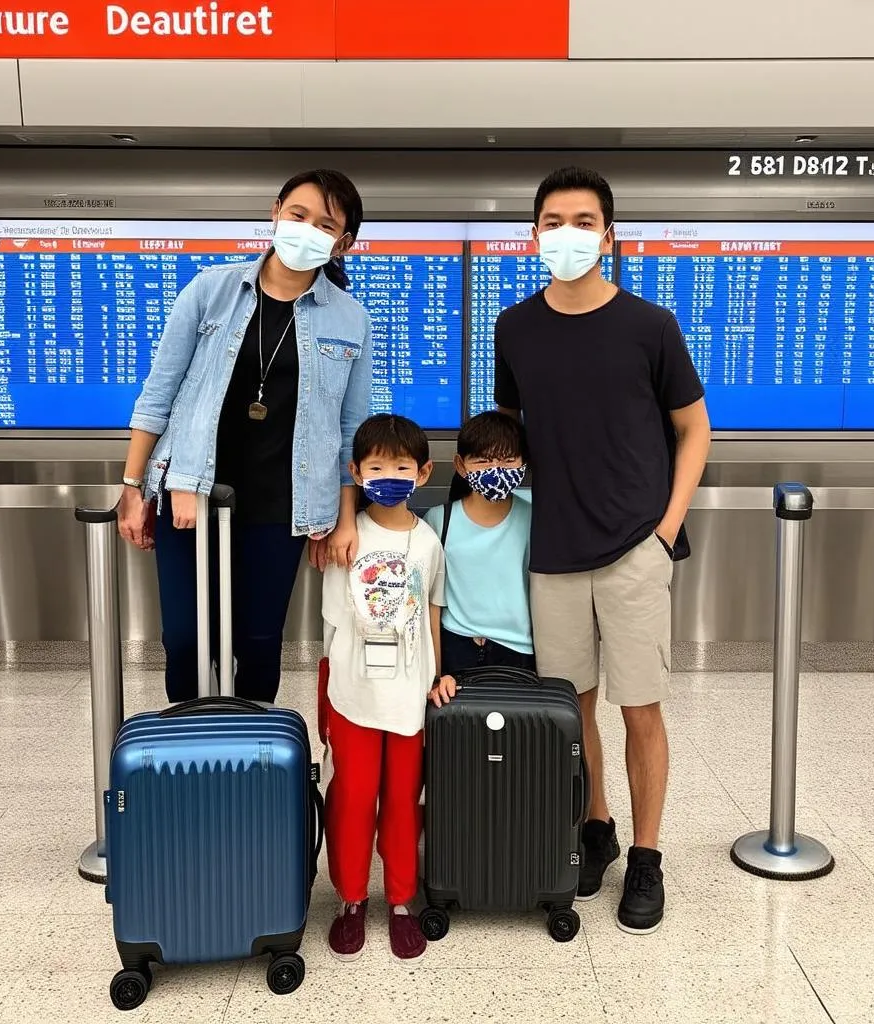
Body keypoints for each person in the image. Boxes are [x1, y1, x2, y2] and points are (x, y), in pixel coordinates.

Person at [494, 166, 711, 935]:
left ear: (609, 235)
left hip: (632, 549)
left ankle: (646, 857)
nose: (568, 234)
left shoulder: (650, 326)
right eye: (553, 221)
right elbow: (508, 430)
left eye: (584, 221)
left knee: (641, 708)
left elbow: (695, 428)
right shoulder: (514, 327)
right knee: (572, 705)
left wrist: (663, 530)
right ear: (534, 236)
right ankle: (598, 828)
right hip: (553, 549)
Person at [117, 169, 372, 704]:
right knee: (185, 640)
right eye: (297, 215)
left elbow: (352, 428)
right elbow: (158, 392)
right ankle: (189, 756)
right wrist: (133, 486)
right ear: (275, 212)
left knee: (258, 644)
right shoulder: (211, 290)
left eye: (325, 225)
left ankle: (252, 765)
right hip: (190, 491)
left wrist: (347, 516)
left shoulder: (351, 318)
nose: (306, 230)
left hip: (285, 506)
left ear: (343, 243)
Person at [320, 414, 447, 963]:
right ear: (356, 472)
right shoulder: (345, 537)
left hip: (409, 696)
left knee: (402, 799)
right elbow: (330, 622)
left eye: (402, 466)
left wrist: (437, 673)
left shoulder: (428, 541)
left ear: (423, 474)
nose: (390, 475)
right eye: (377, 466)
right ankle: (351, 899)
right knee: (352, 796)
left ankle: (399, 900)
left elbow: (433, 614)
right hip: (352, 692)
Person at [422, 411, 535, 678]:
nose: (496, 470)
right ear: (460, 466)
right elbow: (431, 602)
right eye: (483, 461)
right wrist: (435, 674)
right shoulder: (440, 520)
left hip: (519, 650)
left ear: (523, 463)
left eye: (508, 461)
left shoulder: (533, 519)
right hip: (457, 647)